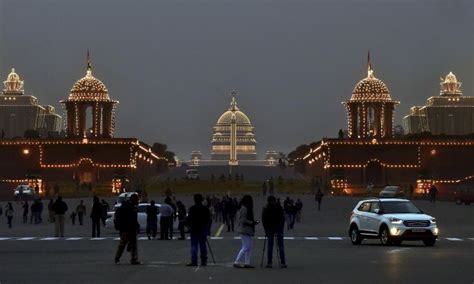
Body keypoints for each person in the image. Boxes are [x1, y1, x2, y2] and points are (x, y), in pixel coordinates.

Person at [114, 194, 141, 265]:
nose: (137, 201)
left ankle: (134, 259)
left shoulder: (132, 207)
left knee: (133, 244)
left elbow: (134, 219)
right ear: (133, 199)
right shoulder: (126, 207)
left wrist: (137, 226)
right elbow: (124, 219)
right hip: (126, 229)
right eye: (136, 200)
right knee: (123, 244)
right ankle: (117, 258)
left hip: (132, 228)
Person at [262, 196, 287, 268]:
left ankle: (269, 262)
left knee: (270, 245)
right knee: (280, 245)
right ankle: (283, 262)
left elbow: (264, 220)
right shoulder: (279, 207)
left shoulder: (266, 208)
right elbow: (283, 219)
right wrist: (281, 227)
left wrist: (266, 230)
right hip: (278, 228)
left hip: (270, 229)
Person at [186, 194, 211, 267]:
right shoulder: (205, 208)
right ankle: (204, 261)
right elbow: (208, 219)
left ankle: (194, 261)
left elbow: (189, 218)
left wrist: (188, 225)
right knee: (203, 245)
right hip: (203, 229)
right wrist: (207, 228)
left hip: (194, 229)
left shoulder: (192, 208)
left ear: (194, 200)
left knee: (194, 245)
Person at [234, 195, 258, 269]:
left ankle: (247, 262)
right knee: (246, 246)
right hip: (244, 230)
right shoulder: (245, 208)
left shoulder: (245, 207)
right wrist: (252, 222)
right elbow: (243, 220)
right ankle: (236, 261)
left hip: (247, 230)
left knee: (249, 247)